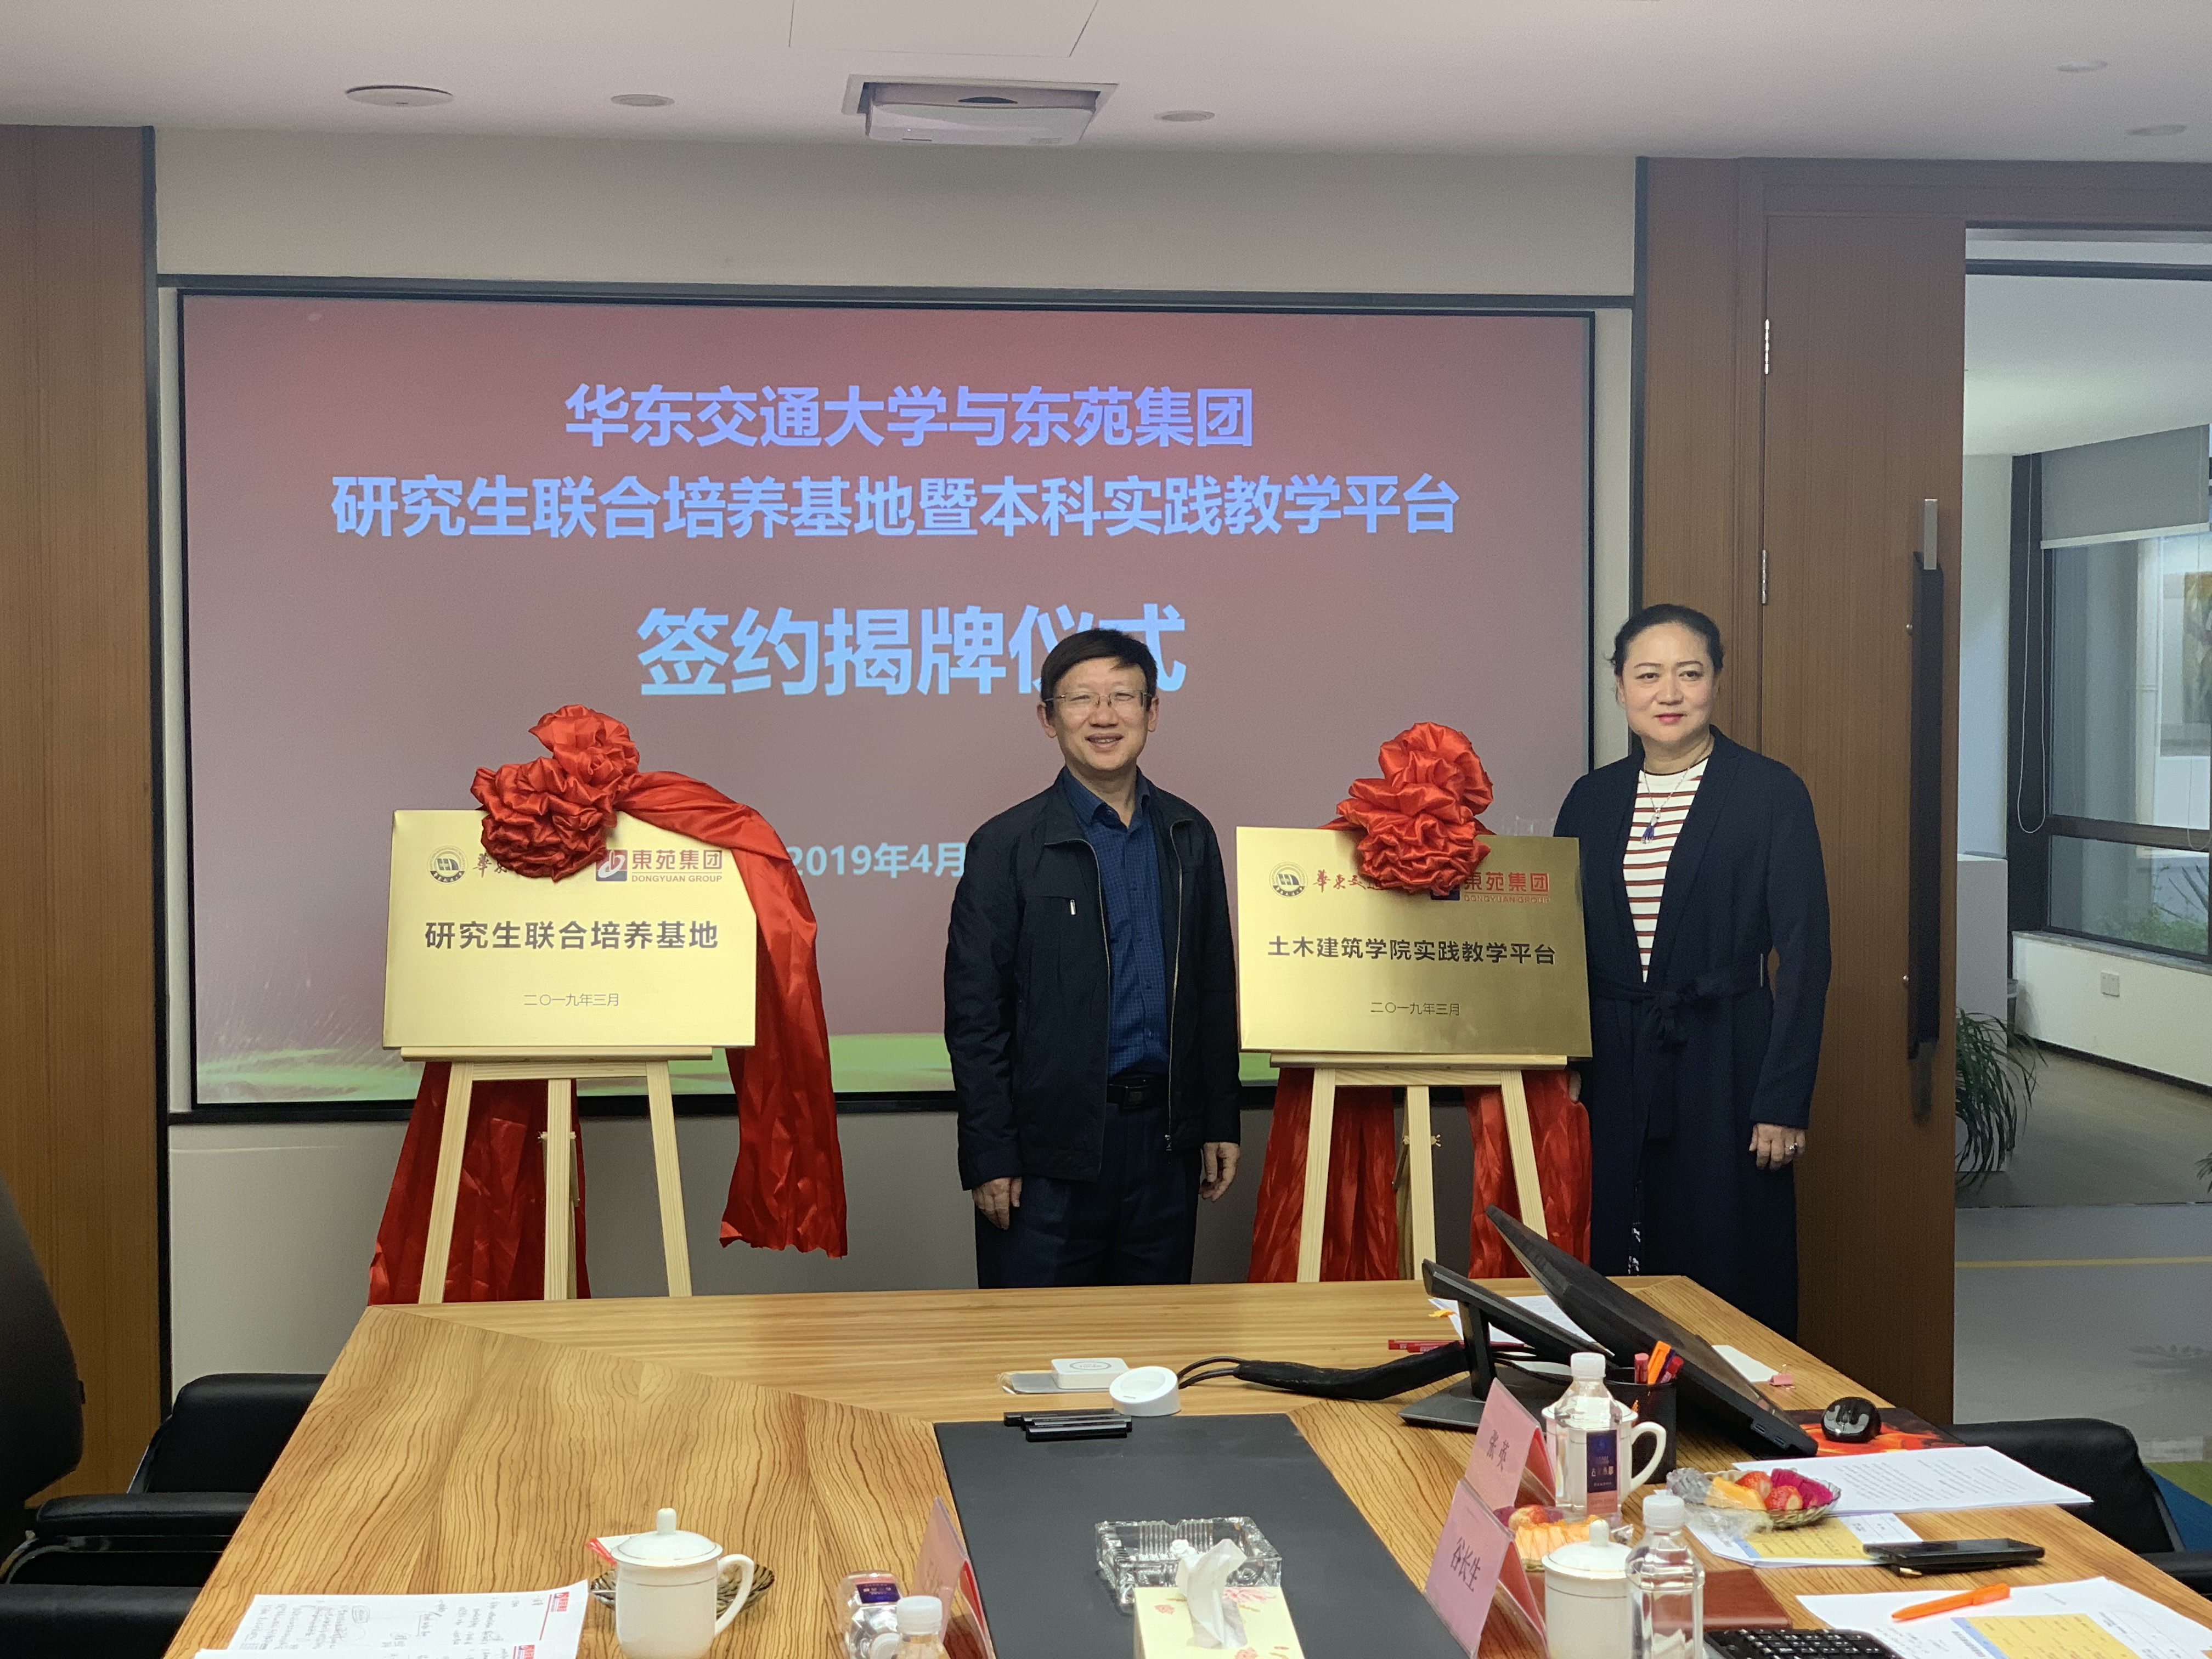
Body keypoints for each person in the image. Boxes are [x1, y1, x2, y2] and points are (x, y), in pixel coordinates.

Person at [1552, 604, 1830, 1334]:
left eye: (1690, 673)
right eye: (1648, 675)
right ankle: (1618, 1394)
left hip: (1727, 1059)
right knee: (1612, 1253)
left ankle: (1736, 1395)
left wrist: (1783, 1101)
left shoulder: (1770, 793)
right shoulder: (1590, 799)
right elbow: (1560, 945)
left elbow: (1806, 955)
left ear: (1716, 682)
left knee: (1725, 1251)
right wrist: (1566, 1065)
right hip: (1614, 1064)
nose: (1669, 693)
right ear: (1620, 687)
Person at [944, 628, 1243, 1288]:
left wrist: (1220, 1117)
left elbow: (1213, 989)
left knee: (1156, 1343)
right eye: (1081, 699)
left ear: (1152, 712)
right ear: (1048, 718)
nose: (1103, 716)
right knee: (1036, 1345)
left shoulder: (1188, 835)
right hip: (1045, 1157)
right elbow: (975, 1015)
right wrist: (990, 1153)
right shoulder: (1006, 845)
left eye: (1123, 697)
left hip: (1165, 1147)